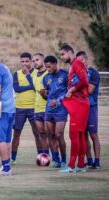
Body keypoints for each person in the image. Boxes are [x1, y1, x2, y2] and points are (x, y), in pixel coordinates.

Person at [59, 44, 89, 173]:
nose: (61, 57)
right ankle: (81, 165)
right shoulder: (74, 65)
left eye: (62, 54)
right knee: (80, 134)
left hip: (79, 102)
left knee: (74, 134)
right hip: (80, 102)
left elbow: (84, 81)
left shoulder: (77, 63)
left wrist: (72, 89)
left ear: (70, 52)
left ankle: (71, 166)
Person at [11, 52, 41, 164]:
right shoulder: (16, 74)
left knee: (37, 133)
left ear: (31, 62)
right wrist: (30, 87)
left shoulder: (37, 73)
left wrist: (28, 77)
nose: (24, 64)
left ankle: (41, 156)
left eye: (27, 61)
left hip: (34, 108)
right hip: (20, 108)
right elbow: (16, 89)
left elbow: (35, 87)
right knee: (16, 133)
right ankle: (12, 158)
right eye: (22, 61)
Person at [42, 55, 68, 168]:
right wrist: (44, 94)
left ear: (55, 64)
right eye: (46, 67)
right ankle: (56, 160)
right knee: (50, 135)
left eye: (49, 67)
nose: (48, 69)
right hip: (49, 109)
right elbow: (47, 95)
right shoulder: (46, 78)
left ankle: (64, 160)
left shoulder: (65, 75)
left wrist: (58, 101)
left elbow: (69, 93)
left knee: (59, 134)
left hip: (61, 109)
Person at [76, 51, 101, 169]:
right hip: (80, 108)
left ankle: (97, 161)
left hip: (91, 107)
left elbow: (89, 90)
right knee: (83, 135)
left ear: (85, 60)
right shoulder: (77, 73)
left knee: (93, 134)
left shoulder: (94, 73)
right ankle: (89, 160)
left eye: (80, 61)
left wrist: (75, 89)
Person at [32, 53, 49, 156]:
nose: (35, 62)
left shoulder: (48, 74)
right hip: (37, 109)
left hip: (47, 109)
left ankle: (56, 157)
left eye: (37, 60)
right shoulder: (34, 75)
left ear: (43, 61)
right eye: (33, 61)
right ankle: (46, 155)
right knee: (41, 134)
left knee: (52, 135)